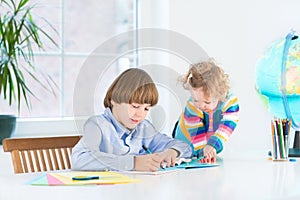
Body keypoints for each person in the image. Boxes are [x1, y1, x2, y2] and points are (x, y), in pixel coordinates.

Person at [71, 68, 192, 172]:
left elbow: (184, 147)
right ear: (114, 100)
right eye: (135, 106)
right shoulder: (97, 125)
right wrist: (133, 163)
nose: (140, 114)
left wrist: (172, 151)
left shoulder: (143, 128)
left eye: (146, 109)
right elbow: (80, 159)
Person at [173, 59, 239, 163]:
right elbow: (196, 132)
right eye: (196, 100)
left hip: (206, 141)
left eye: (207, 102)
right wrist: (204, 151)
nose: (200, 105)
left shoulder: (229, 101)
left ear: (219, 94)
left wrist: (212, 146)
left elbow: (227, 125)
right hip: (184, 141)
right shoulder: (192, 106)